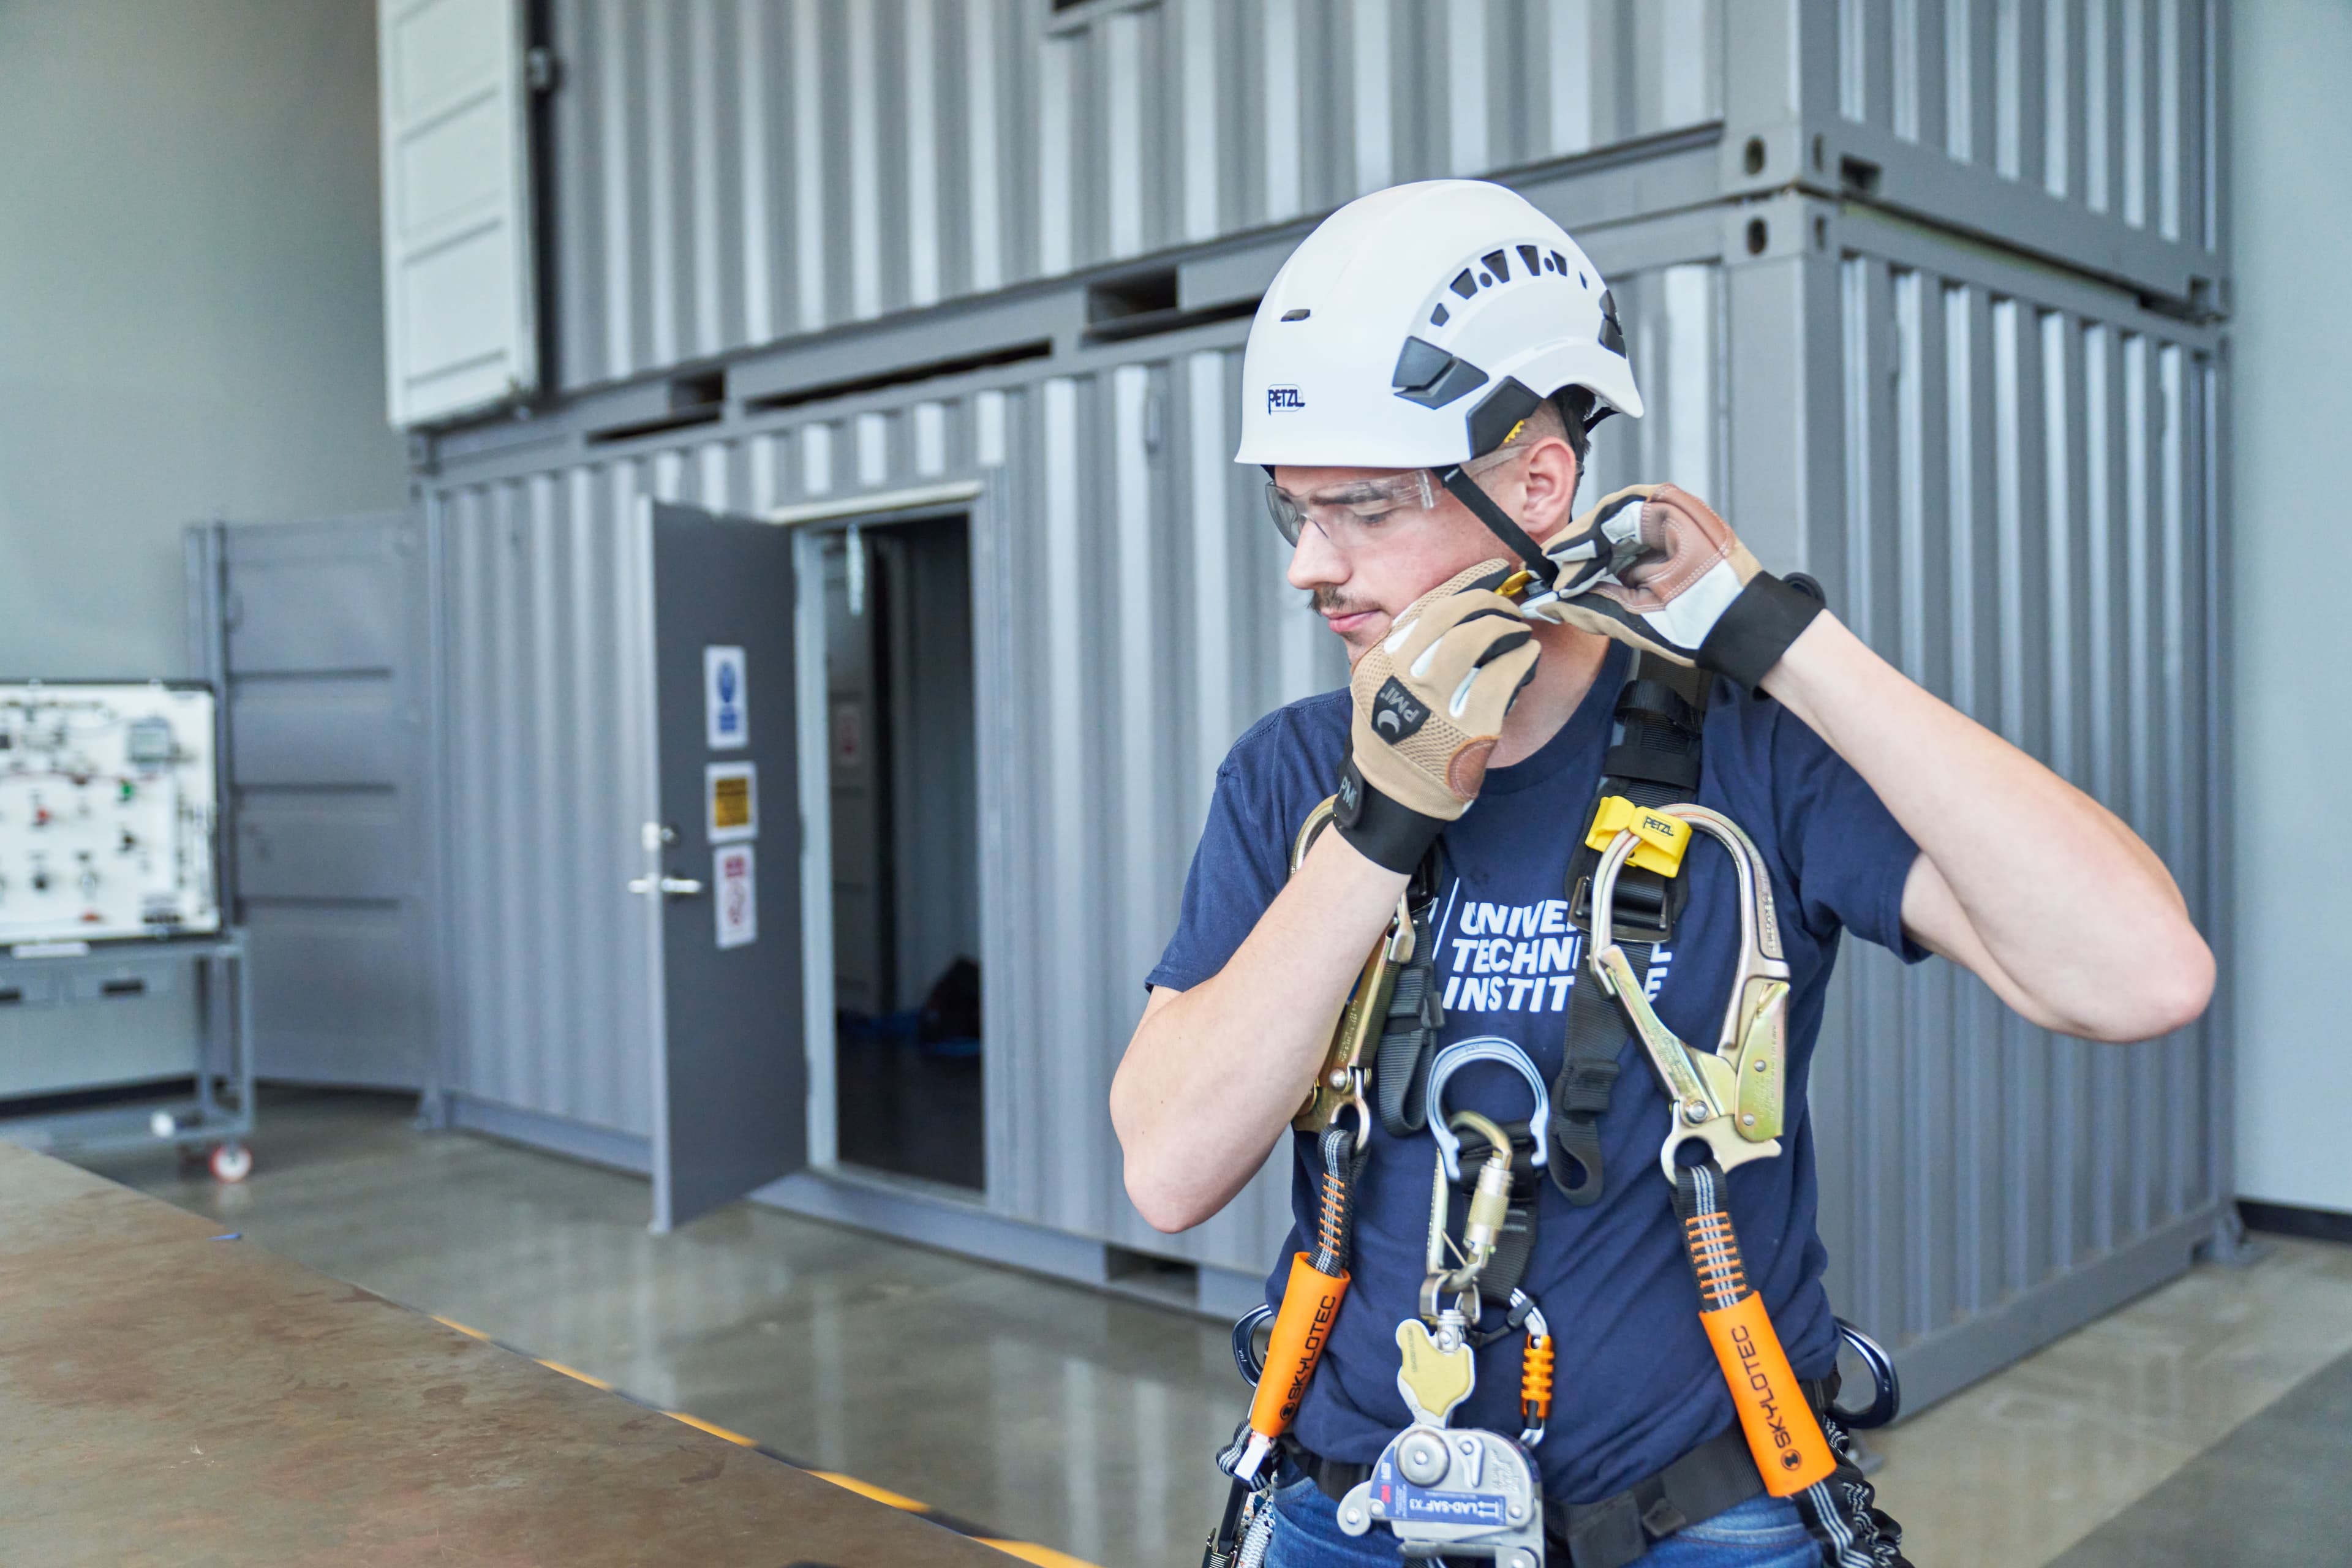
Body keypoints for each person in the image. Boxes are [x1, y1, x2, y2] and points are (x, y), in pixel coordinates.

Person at [1108, 180, 2212, 1568]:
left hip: (1707, 1521)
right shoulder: (1292, 778)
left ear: (1536, 484)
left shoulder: (1744, 760)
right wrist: (1381, 825)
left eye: (1364, 510)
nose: (1312, 568)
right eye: (1295, 516)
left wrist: (1774, 636)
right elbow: (1169, 1167)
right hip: (1352, 1510)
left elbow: (2140, 973)